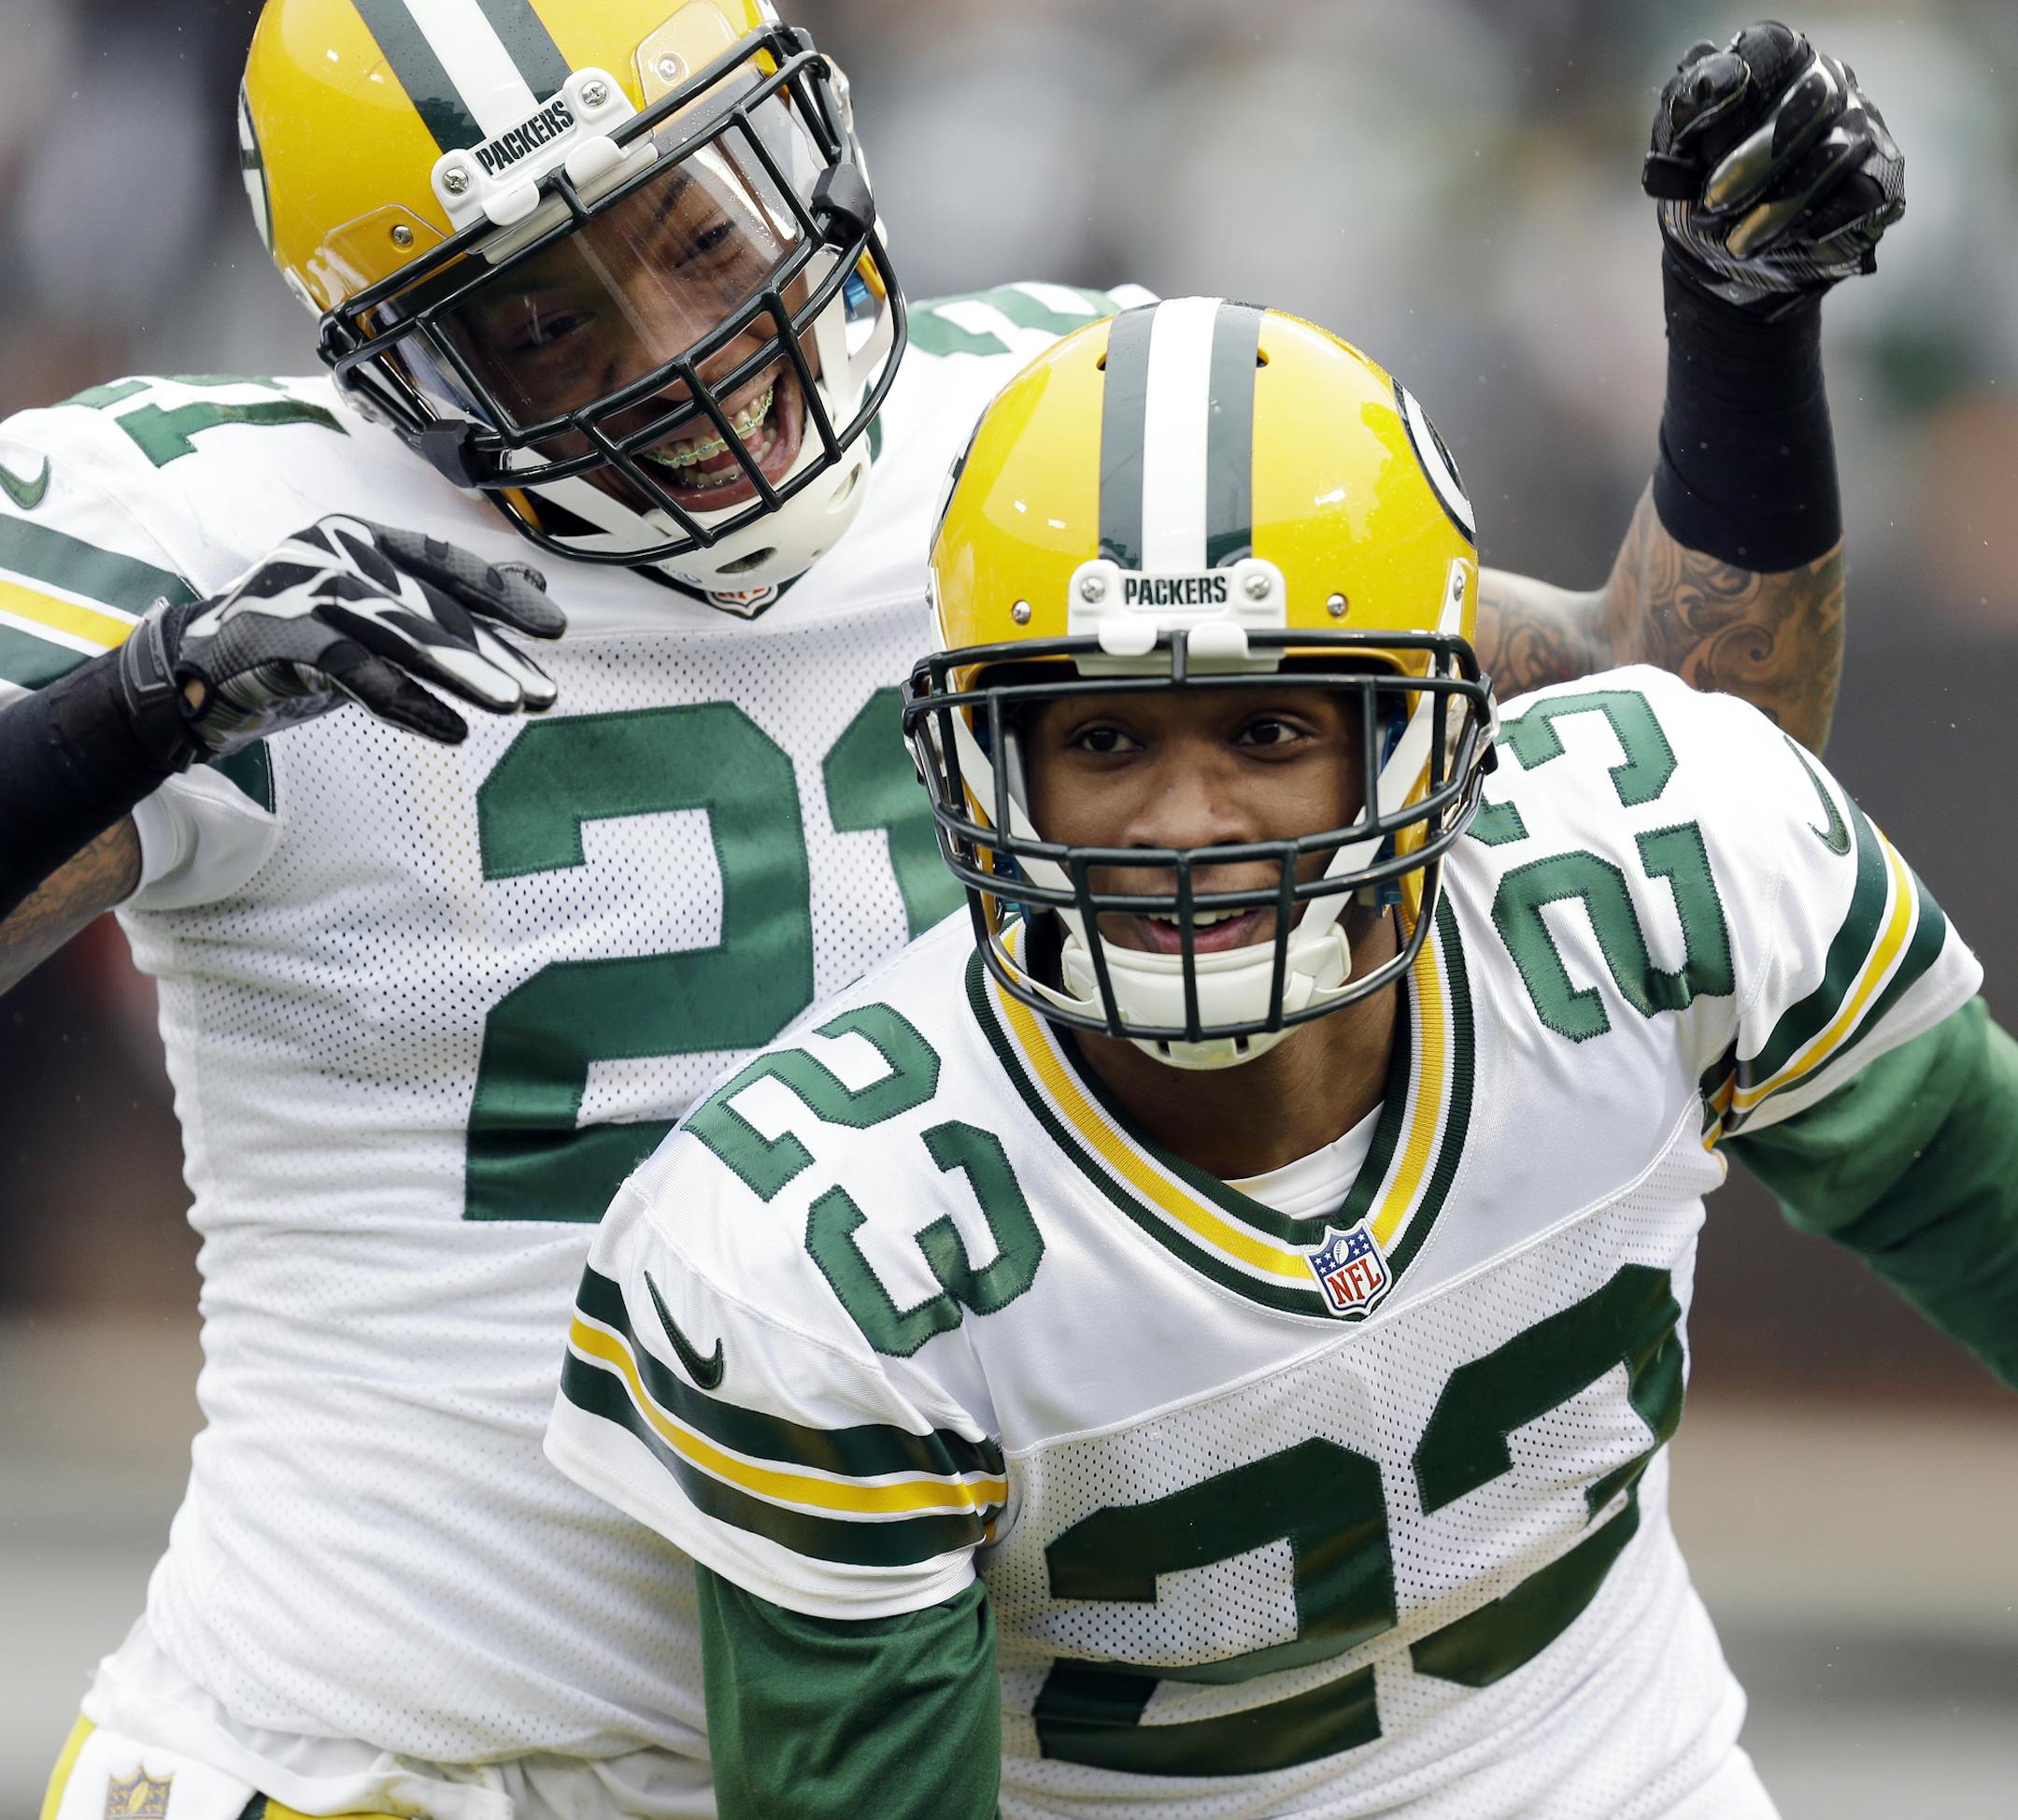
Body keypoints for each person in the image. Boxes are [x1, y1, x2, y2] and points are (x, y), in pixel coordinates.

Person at [9, 11, 1899, 1820]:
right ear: (389, 360)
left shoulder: (1047, 429)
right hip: (385, 1761)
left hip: (919, 1739)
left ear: (802, 141)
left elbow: (1681, 749)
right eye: (540, 319)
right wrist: (141, 707)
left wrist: (1742, 346)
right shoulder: (201, 527)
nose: (677, 351)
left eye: (697, 232)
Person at [545, 299, 2015, 1820]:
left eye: (1264, 732)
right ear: (990, 760)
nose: (1188, 823)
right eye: (1105, 741)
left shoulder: (1661, 868)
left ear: (1418, 738)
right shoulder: (829, 1241)